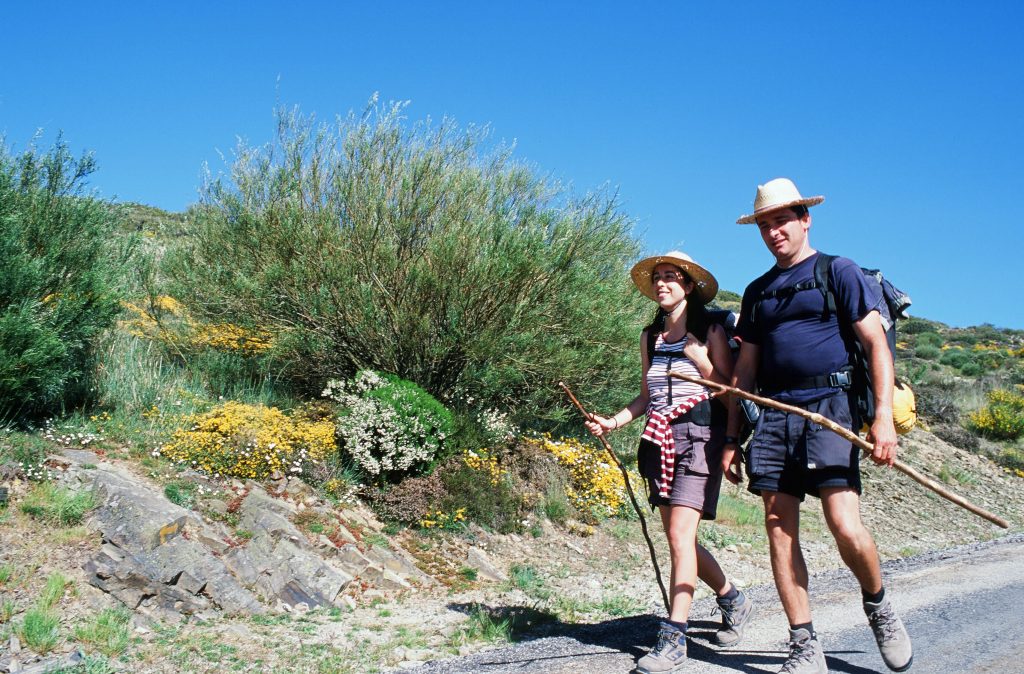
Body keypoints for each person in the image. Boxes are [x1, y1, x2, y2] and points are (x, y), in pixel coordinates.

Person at [723, 178, 913, 673]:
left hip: (831, 408)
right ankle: (804, 645)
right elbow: (745, 370)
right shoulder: (757, 292)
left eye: (781, 221)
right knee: (778, 529)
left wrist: (883, 420)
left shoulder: (838, 271)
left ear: (805, 219)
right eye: (765, 225)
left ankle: (878, 605)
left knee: (844, 524)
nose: (773, 232)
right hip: (775, 414)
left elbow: (874, 344)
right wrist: (731, 438)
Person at [586, 251, 754, 674]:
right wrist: (612, 422)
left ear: (689, 285)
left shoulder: (710, 331)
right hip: (658, 442)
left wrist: (703, 364)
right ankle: (733, 598)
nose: (662, 283)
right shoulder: (650, 337)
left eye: (671, 277)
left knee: (680, 536)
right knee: (681, 539)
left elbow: (731, 393)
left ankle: (674, 638)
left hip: (700, 438)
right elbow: (647, 396)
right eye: (658, 277)